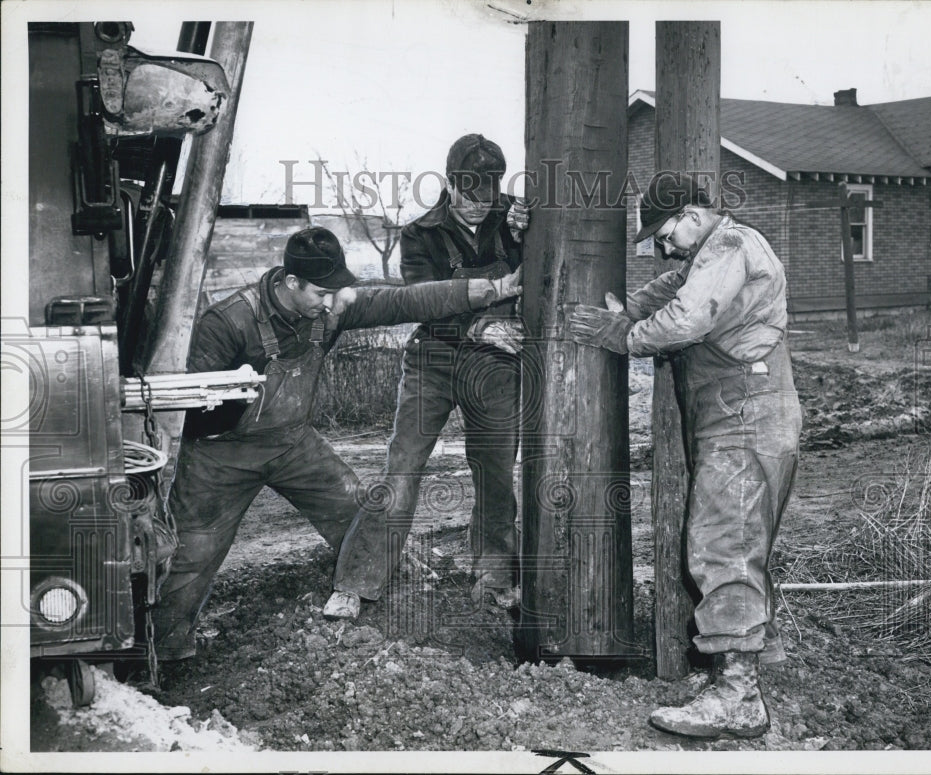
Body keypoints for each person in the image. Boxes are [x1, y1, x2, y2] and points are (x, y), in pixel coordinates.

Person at [152, 226, 521, 661]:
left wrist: (488, 291)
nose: (330, 304)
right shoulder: (228, 321)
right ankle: (160, 656)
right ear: (292, 284)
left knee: (362, 515)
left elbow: (406, 300)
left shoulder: (330, 306)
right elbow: (186, 407)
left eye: (336, 293)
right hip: (220, 456)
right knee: (190, 556)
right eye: (321, 294)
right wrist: (236, 393)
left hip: (292, 445)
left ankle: (390, 589)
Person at [568, 173, 802, 739]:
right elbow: (672, 290)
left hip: (745, 410)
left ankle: (738, 696)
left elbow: (687, 318)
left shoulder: (727, 245)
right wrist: (627, 310)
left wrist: (619, 335)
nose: (662, 245)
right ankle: (749, 659)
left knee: (724, 540)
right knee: (740, 539)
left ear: (694, 214)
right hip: (742, 407)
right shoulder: (708, 257)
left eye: (665, 231)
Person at [324, 134, 529, 620]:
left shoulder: (515, 219)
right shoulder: (420, 234)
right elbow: (422, 301)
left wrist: (530, 235)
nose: (480, 206)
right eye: (470, 194)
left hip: (495, 366)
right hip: (433, 359)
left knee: (496, 472)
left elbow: (541, 276)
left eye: (489, 196)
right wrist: (481, 324)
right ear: (451, 185)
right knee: (402, 469)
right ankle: (357, 582)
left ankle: (496, 577)